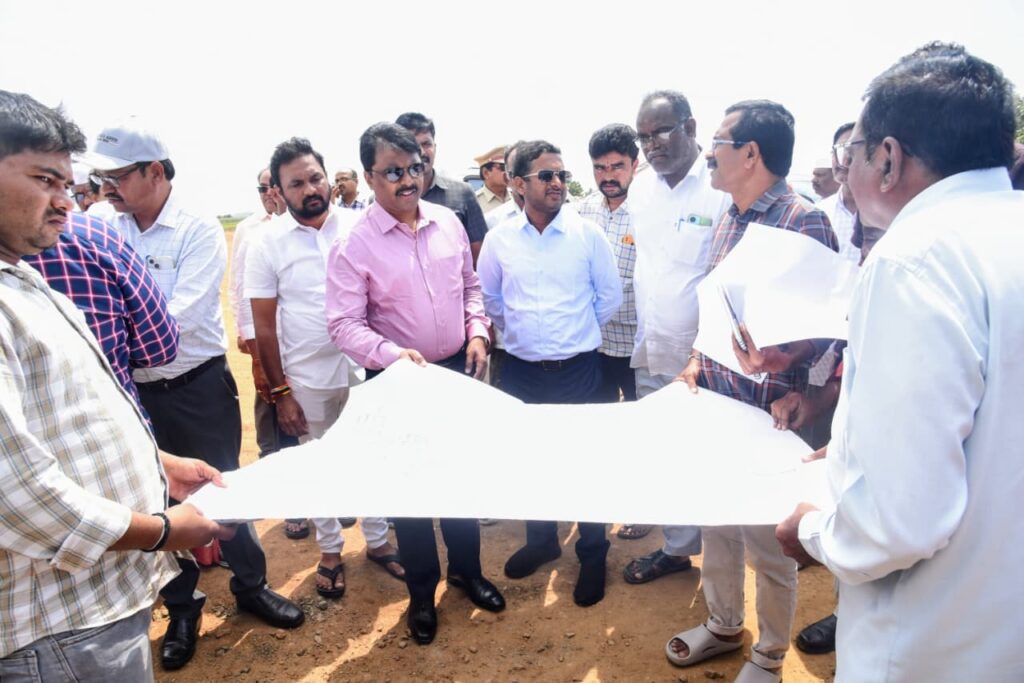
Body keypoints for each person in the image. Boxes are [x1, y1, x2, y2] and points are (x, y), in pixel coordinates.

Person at [775, 42, 1024, 682]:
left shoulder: (914, 260)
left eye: (851, 153)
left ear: (887, 159)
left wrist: (815, 532)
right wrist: (855, 448)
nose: (845, 170)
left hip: (929, 641)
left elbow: (900, 521)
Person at [0, 88, 234, 682]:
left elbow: (70, 412)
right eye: (45, 180)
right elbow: (18, 495)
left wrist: (158, 464)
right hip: (55, 627)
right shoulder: (96, 237)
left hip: (85, 606)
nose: (69, 201)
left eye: (67, 183)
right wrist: (162, 531)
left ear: (155, 171)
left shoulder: (23, 276)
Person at [79, 117, 303, 671]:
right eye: (101, 178)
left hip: (195, 386)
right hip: (131, 392)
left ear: (155, 172)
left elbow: (177, 320)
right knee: (152, 498)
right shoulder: (103, 224)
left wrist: (116, 339)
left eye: (117, 177)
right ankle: (182, 607)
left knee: (222, 486)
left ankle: (251, 585)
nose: (106, 189)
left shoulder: (196, 229)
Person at [669, 100, 837, 683]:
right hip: (716, 402)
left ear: (750, 153)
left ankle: (768, 653)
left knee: (768, 545)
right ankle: (723, 624)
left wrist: (800, 380)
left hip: (771, 414)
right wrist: (696, 361)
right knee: (716, 524)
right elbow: (717, 309)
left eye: (717, 142)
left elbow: (830, 328)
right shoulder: (728, 218)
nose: (707, 153)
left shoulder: (803, 220)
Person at [325, 122, 504, 645]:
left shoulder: (447, 221)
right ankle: (423, 593)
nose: (408, 180)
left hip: (457, 371)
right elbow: (343, 324)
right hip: (398, 380)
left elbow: (470, 286)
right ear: (369, 176)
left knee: (460, 480)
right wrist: (391, 355)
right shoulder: (353, 243)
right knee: (410, 491)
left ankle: (467, 573)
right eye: (393, 172)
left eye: (415, 168)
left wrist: (477, 331)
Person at [246, 137, 403, 598]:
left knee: (371, 456)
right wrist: (280, 393)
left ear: (327, 178)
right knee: (317, 464)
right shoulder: (265, 243)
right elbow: (263, 326)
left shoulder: (360, 226)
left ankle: (378, 541)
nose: (310, 189)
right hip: (305, 377)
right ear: (279, 191)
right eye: (296, 184)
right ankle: (331, 550)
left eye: (315, 178)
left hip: (365, 368)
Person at [478, 139, 621, 606]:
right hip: (521, 372)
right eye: (546, 175)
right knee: (532, 462)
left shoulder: (587, 236)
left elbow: (609, 298)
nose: (557, 182)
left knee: (587, 465)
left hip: (579, 370)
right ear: (519, 184)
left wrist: (571, 335)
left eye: (561, 174)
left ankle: (593, 553)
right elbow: (491, 300)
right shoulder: (500, 239)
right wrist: (529, 337)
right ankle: (542, 541)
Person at [620, 90, 730, 554]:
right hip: (651, 346)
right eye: (643, 137)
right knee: (663, 452)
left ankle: (719, 557)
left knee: (706, 455)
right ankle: (677, 549)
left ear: (690, 127)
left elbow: (726, 279)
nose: (651, 145)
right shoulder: (641, 189)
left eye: (661, 132)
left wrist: (705, 351)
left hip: (702, 357)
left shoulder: (720, 187)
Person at [23, 210, 178, 410]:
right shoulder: (91, 235)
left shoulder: (88, 235)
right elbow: (159, 347)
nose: (65, 202)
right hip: (112, 416)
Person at [230, 168, 298, 465]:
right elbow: (238, 288)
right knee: (269, 406)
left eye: (274, 186)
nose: (269, 193)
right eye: (262, 188)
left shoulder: (304, 225)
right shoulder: (248, 229)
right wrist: (248, 341)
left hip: (299, 342)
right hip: (266, 340)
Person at [578, 124, 640, 403]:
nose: (608, 176)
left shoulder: (649, 211)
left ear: (635, 165)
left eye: (617, 167)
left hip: (636, 348)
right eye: (600, 168)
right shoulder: (582, 211)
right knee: (598, 418)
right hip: (594, 344)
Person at [395, 112, 488, 264]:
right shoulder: (385, 198)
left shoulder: (462, 193)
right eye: (413, 145)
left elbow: (479, 259)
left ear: (435, 147)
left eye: (426, 144)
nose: (421, 152)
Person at [816, 123, 862, 263]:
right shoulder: (819, 213)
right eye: (839, 151)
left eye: (851, 152)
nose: (843, 161)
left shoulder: (888, 216)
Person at [474, 145, 509, 212]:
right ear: (486, 173)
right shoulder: (475, 203)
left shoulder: (518, 196)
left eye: (509, 167)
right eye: (503, 168)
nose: (508, 172)